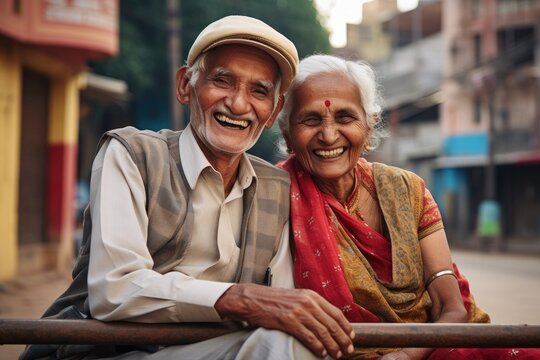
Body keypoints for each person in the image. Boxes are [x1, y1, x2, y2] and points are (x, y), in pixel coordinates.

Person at [20, 17, 355, 360]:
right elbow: (114, 288)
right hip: (104, 352)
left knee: (292, 343)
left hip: (210, 351)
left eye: (259, 91)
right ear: (185, 86)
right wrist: (238, 298)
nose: (239, 105)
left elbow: (282, 305)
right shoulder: (132, 154)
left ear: (273, 112)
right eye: (222, 81)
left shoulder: (277, 187)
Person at [277, 54, 540, 359]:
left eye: (345, 117)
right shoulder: (272, 195)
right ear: (287, 133)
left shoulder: (407, 189)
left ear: (369, 126)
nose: (329, 135)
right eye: (311, 119)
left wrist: (404, 357)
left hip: (432, 348)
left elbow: (451, 307)